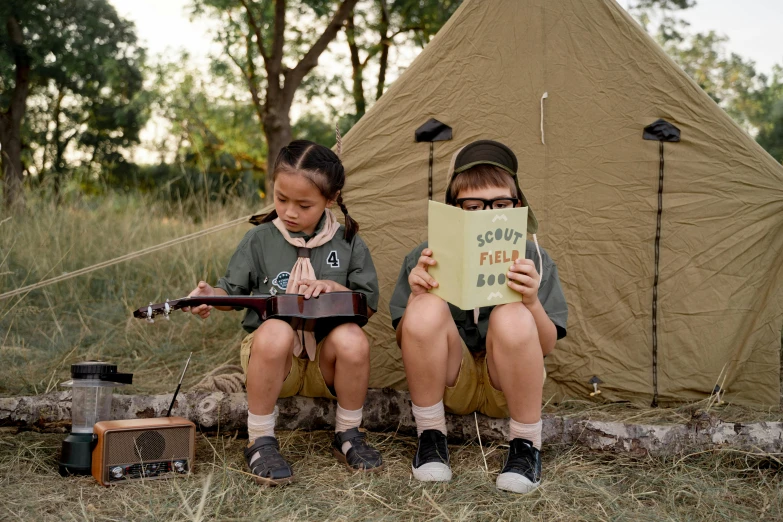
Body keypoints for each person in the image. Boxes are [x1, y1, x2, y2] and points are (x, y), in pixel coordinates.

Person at [185, 140, 383, 486]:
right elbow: (231, 293)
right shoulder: (260, 239)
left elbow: (367, 302)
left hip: (325, 363)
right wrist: (209, 296)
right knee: (277, 329)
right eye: (281, 199)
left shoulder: (348, 240)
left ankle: (348, 433)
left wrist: (337, 290)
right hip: (276, 361)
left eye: (304, 204)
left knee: (353, 338)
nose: (289, 212)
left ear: (330, 199)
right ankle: (260, 439)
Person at [389, 140, 567, 494]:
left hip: (509, 387)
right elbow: (405, 339)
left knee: (512, 315)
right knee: (424, 308)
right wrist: (417, 297)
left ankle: (526, 446)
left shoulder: (534, 258)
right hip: (453, 382)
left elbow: (545, 346)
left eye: (501, 205)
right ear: (454, 210)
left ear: (518, 207)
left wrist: (531, 301)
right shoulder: (424, 257)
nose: (488, 215)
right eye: (473, 207)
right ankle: (431, 437)